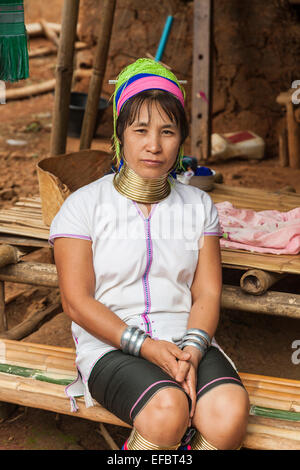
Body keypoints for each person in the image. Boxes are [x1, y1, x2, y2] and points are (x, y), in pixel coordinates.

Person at [50, 58, 250, 451]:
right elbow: (76, 302)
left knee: (228, 415)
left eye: (167, 131)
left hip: (186, 340)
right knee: (166, 410)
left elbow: (207, 294)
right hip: (109, 344)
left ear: (181, 139)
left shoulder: (198, 206)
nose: (154, 145)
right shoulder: (82, 206)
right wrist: (146, 346)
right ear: (120, 133)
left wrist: (192, 348)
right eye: (140, 130)